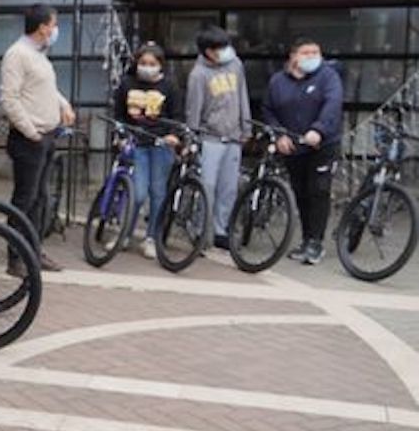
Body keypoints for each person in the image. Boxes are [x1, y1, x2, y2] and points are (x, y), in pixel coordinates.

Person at [0, 3, 75, 272]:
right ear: (43, 27)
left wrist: (63, 104)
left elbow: (45, 89)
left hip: (47, 135)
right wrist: (31, 131)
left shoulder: (39, 54)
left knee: (40, 200)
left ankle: (34, 250)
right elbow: (9, 98)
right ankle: (16, 257)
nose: (55, 30)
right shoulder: (17, 54)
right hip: (29, 139)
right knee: (25, 200)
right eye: (53, 24)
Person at [262, 38, 343, 265]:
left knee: (318, 190)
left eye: (315, 52)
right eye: (306, 52)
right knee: (301, 192)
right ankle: (306, 239)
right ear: (293, 56)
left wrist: (318, 130)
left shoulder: (328, 77)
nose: (312, 56)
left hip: (321, 146)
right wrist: (279, 135)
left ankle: (316, 242)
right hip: (293, 147)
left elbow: (332, 104)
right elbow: (268, 110)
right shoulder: (278, 81)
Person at [185, 25, 251, 250]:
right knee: (207, 186)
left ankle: (222, 230)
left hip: (233, 137)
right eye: (219, 48)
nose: (225, 51)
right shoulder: (198, 74)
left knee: (228, 187)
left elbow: (243, 97)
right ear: (207, 51)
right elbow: (194, 108)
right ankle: (200, 228)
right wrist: (192, 137)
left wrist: (246, 127)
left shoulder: (236, 65)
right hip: (209, 137)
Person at [114, 42, 182, 259]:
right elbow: (118, 114)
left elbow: (177, 116)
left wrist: (174, 136)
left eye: (152, 64)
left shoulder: (170, 86)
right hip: (137, 144)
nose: (147, 67)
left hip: (161, 145)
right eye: (143, 63)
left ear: (160, 65)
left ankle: (151, 237)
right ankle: (125, 234)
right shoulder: (126, 83)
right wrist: (120, 135)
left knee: (158, 192)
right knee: (138, 192)